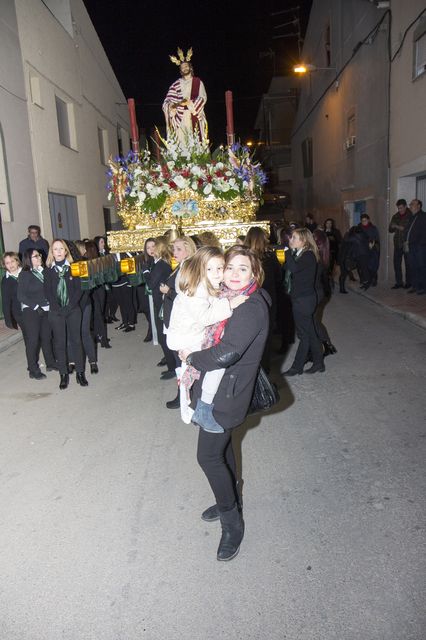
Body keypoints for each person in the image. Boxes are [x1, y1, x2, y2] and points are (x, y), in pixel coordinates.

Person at [177, 245, 270, 561]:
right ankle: (231, 496)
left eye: (242, 268)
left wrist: (192, 357)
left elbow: (227, 353)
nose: (233, 273)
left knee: (208, 457)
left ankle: (233, 522)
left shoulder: (250, 307)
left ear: (253, 273)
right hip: (218, 390)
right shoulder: (226, 301)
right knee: (223, 449)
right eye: (229, 267)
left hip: (227, 395)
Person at [167, 246, 247, 430]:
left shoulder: (205, 284)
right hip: (186, 337)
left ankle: (188, 380)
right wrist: (230, 303)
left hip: (191, 332)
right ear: (200, 269)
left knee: (207, 361)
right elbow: (206, 317)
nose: (217, 274)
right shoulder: (197, 290)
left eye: (220, 268)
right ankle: (202, 407)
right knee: (216, 364)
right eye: (210, 269)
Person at [44, 239, 88, 390]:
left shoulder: (74, 267)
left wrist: (70, 306)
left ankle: (80, 373)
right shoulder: (48, 270)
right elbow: (47, 292)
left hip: (73, 309)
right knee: (60, 344)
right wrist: (57, 308)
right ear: (52, 252)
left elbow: (79, 289)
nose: (58, 252)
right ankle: (63, 375)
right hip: (56, 312)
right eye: (55, 249)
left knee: (76, 341)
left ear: (66, 251)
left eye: (61, 249)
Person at [160, 236, 197, 409]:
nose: (174, 253)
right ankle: (183, 394)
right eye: (174, 249)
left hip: (180, 321)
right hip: (173, 319)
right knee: (179, 361)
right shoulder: (182, 266)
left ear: (189, 250)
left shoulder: (188, 269)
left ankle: (185, 395)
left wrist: (168, 292)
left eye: (178, 249)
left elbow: (188, 299)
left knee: (182, 360)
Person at [282, 228, 325, 376]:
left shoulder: (308, 256)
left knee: (304, 335)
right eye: (291, 237)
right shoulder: (301, 254)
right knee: (311, 333)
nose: (290, 240)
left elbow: (293, 269)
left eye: (294, 238)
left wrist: (287, 251)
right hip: (302, 298)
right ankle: (319, 363)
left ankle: (296, 367)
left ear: (304, 241)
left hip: (304, 301)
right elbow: (288, 268)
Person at [244, 226, 281, 372]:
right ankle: (265, 374)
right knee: (265, 339)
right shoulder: (270, 257)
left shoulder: (245, 258)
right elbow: (278, 278)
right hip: (268, 301)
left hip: (249, 301)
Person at [17, 249, 56, 379]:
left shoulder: (44, 271)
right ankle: (33, 369)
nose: (39, 257)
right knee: (33, 340)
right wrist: (36, 306)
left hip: (46, 308)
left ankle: (50, 363)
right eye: (36, 256)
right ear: (28, 259)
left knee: (46, 337)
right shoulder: (25, 274)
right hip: (31, 311)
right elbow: (21, 296)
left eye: (39, 255)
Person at [142, 237, 175, 379]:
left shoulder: (161, 264)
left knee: (163, 336)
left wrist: (145, 272)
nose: (151, 250)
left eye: (154, 246)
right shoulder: (156, 262)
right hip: (159, 301)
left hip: (163, 303)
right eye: (148, 247)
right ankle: (169, 362)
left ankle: (173, 367)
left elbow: (151, 283)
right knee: (162, 335)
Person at [163, 48, 208, 147]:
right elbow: (168, 100)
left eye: (186, 66)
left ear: (190, 67)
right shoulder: (175, 84)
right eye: (182, 67)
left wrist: (190, 103)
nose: (184, 69)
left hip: (194, 114)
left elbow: (203, 97)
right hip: (180, 117)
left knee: (196, 141)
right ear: (180, 70)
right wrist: (171, 106)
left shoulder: (198, 82)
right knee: (182, 143)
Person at [388, 199, 413, 289]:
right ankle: (399, 283)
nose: (400, 210)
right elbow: (390, 230)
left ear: (406, 206)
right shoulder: (396, 216)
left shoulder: (411, 215)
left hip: (406, 244)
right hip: (397, 244)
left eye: (401, 208)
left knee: (408, 264)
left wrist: (398, 226)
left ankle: (408, 283)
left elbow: (409, 229)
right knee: (396, 264)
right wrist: (392, 226)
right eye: (398, 208)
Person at [404, 199, 426, 295]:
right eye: (410, 204)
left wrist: (421, 243)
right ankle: (415, 286)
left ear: (419, 206)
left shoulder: (423, 216)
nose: (410, 206)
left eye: (412, 204)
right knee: (413, 267)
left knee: (421, 267)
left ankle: (423, 287)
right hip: (410, 246)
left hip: (419, 247)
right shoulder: (411, 217)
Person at [1, 252, 23, 331]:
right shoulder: (5, 280)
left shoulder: (26, 273)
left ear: (17, 261)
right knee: (29, 336)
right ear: (4, 265)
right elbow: (6, 301)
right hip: (18, 312)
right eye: (7, 263)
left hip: (33, 309)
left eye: (12, 261)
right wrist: (8, 320)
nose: (11, 265)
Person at [358, 213, 380, 287]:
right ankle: (365, 280)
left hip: (372, 250)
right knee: (363, 266)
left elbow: (376, 239)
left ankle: (373, 279)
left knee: (372, 265)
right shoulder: (358, 228)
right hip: (362, 250)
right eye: (362, 221)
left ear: (368, 220)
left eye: (365, 220)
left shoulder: (373, 228)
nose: (364, 222)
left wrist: (373, 243)